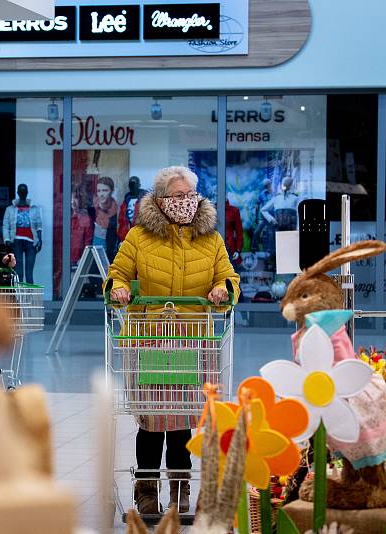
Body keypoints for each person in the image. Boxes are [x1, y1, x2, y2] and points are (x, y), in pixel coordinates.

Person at [106, 166, 240, 515]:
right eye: (178, 196)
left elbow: (229, 278)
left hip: (193, 344)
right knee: (152, 421)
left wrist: (223, 289)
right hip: (149, 342)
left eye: (190, 195)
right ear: (161, 201)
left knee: (183, 420)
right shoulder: (138, 238)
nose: (186, 202)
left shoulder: (210, 239)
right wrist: (118, 287)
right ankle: (147, 491)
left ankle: (181, 490)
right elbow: (117, 273)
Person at [2, 183, 42, 284]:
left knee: (29, 274)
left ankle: (30, 298)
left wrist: (40, 239)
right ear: (18, 193)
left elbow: (38, 225)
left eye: (24, 191)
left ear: (27, 192)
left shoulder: (34, 209)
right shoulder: (10, 209)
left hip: (31, 242)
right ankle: (19, 298)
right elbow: (6, 225)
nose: (22, 193)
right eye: (21, 191)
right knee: (18, 273)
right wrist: (7, 239)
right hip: (16, 242)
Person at [92, 176, 118, 260]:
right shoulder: (91, 209)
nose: (101, 194)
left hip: (109, 255)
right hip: (91, 254)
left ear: (112, 191)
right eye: (99, 191)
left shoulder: (117, 211)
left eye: (105, 190)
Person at [117, 176, 147, 243]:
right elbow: (121, 220)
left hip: (141, 234)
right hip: (127, 234)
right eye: (130, 185)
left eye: (134, 184)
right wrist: (121, 236)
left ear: (139, 185)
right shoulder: (126, 200)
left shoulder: (145, 200)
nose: (132, 187)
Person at [70, 192, 93, 266]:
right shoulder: (64, 217)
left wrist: (83, 258)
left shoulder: (85, 218)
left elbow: (88, 241)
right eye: (70, 198)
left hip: (78, 261)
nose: (72, 201)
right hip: (64, 259)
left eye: (75, 198)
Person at [225, 199, 243, 268]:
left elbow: (239, 232)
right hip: (214, 249)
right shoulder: (211, 211)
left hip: (229, 248)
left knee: (231, 274)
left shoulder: (234, 211)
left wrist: (238, 249)